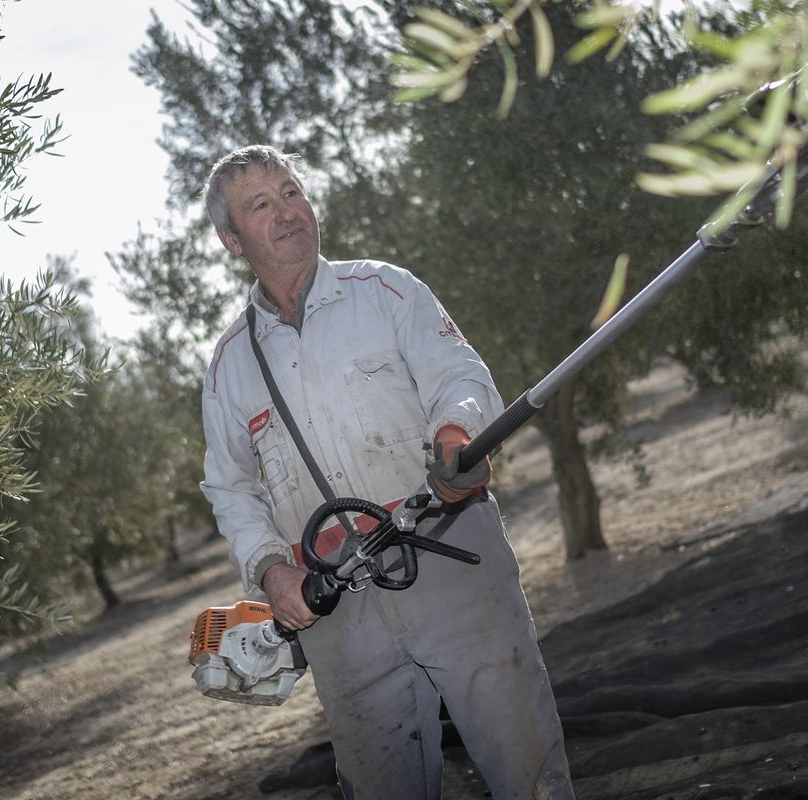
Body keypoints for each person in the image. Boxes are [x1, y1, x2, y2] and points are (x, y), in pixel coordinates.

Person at [199, 144, 574, 799]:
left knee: (529, 772)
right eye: (261, 205)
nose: (288, 211)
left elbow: (459, 377)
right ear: (232, 240)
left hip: (452, 555)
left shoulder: (386, 290)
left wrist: (456, 437)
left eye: (291, 191)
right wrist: (269, 569)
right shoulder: (229, 365)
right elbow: (230, 487)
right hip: (336, 607)